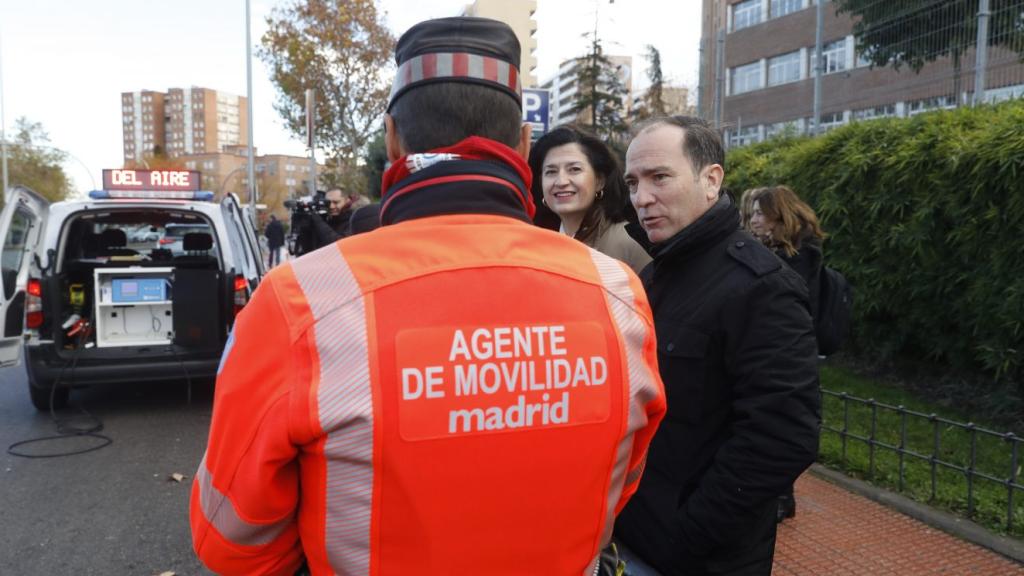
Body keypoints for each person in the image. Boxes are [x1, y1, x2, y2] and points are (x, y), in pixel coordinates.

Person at [191, 16, 666, 576]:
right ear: (523, 144)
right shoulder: (617, 292)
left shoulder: (301, 301)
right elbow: (623, 476)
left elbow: (229, 539)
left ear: (393, 139)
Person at [613, 116, 821, 576]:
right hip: (635, 535)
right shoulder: (657, 273)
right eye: (633, 182)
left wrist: (686, 536)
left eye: (659, 177)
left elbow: (783, 437)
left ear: (711, 180)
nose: (642, 198)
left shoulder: (761, 287)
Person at [748, 185, 826, 522]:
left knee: (779, 423)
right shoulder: (793, 252)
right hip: (780, 350)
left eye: (758, 213)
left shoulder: (794, 259)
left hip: (784, 353)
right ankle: (781, 495)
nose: (752, 219)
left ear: (778, 218)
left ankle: (781, 497)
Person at [529, 125, 651, 274]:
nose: (561, 181)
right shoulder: (537, 247)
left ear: (599, 181)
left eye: (574, 169)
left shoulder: (631, 243)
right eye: (551, 172)